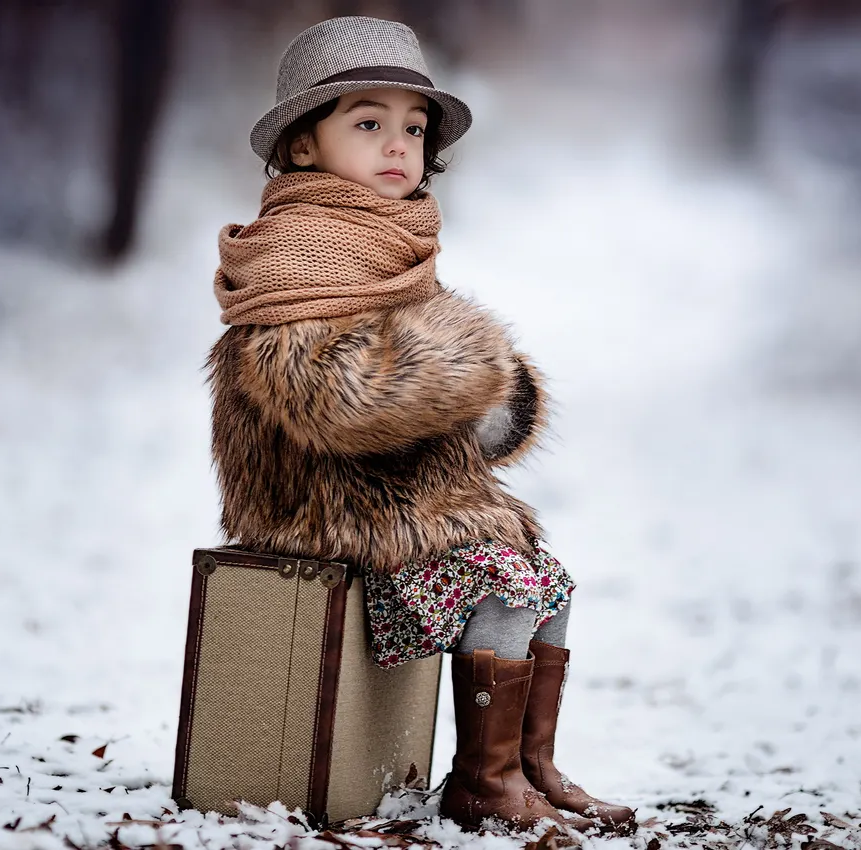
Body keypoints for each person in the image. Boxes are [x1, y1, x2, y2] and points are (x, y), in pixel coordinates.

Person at [207, 16, 635, 833]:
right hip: (323, 514)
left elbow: (440, 400)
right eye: (367, 123)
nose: (397, 145)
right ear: (303, 146)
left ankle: (526, 766)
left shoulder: (390, 245)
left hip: (397, 501)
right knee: (502, 581)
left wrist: (494, 398)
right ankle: (483, 784)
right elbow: (337, 400)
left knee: (545, 584)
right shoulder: (298, 258)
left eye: (412, 127)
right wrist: (467, 364)